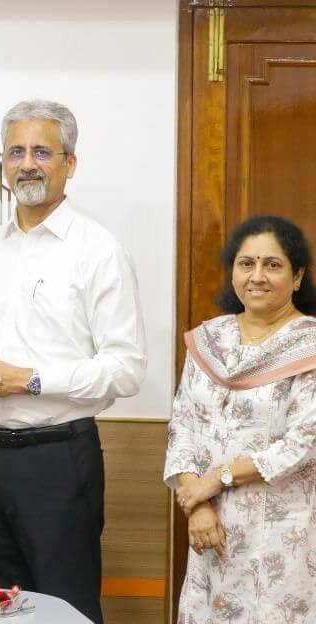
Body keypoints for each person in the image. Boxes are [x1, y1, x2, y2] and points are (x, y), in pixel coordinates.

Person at [0, 99, 146, 624]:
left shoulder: (98, 250)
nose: (27, 163)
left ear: (69, 164)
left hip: (58, 460)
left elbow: (126, 368)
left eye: (42, 151)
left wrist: (27, 379)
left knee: (64, 607)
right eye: (16, 152)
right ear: (1, 165)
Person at [165, 215, 316, 623]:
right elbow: (183, 426)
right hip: (209, 530)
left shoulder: (310, 346)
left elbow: (303, 444)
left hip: (282, 536)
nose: (257, 276)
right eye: (246, 263)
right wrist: (197, 503)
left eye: (273, 264)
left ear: (297, 276)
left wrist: (218, 478)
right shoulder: (208, 340)